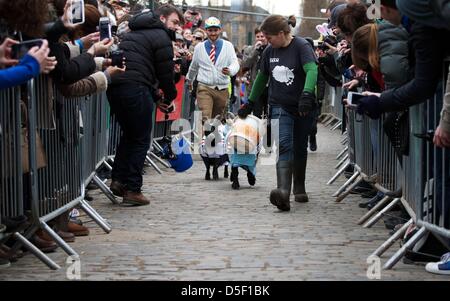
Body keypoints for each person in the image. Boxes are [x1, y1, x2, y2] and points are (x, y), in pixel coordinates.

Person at [238, 15, 318, 211]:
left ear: (282, 34)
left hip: (302, 105)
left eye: (270, 36)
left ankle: (299, 186)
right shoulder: (269, 51)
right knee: (283, 145)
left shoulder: (301, 46)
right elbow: (261, 78)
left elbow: (312, 70)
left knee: (299, 146)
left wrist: (307, 93)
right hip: (279, 105)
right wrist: (250, 102)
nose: (267, 40)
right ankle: (283, 192)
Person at [107, 4, 183, 206]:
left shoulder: (135, 32)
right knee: (140, 139)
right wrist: (170, 96)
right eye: (174, 22)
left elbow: (143, 70)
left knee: (130, 135)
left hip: (116, 87)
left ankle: (118, 180)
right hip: (135, 88)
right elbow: (165, 74)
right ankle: (132, 189)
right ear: (162, 18)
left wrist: (157, 96)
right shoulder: (161, 37)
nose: (176, 27)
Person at [186, 16, 240, 124]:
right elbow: (194, 66)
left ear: (220, 30)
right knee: (205, 116)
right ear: (206, 31)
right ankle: (204, 139)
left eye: (215, 30)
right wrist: (189, 79)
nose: (213, 33)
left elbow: (235, 63)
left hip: (222, 88)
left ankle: (212, 140)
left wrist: (230, 70)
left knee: (217, 121)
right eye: (210, 30)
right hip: (205, 87)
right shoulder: (199, 48)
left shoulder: (228, 46)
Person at [241, 27, 269, 119]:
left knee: (271, 116)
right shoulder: (249, 50)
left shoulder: (272, 49)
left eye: (262, 36)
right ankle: (259, 133)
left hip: (270, 87)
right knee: (257, 116)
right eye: (258, 36)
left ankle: (272, 133)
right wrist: (255, 51)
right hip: (255, 87)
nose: (260, 38)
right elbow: (245, 65)